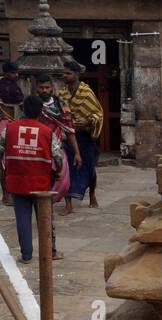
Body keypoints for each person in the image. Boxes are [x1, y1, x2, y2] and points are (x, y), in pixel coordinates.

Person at [0, 95, 63, 265]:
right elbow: (57, 156)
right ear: (41, 112)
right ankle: (51, 251)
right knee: (46, 218)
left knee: (22, 219)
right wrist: (60, 171)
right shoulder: (47, 132)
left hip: (17, 182)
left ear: (23, 110)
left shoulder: (10, 129)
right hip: (41, 182)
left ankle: (26, 255)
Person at [59, 60, 103, 211]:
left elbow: (98, 113)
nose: (65, 76)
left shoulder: (86, 92)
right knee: (66, 168)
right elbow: (61, 113)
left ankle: (92, 195)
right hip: (68, 136)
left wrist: (87, 122)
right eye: (64, 73)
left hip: (84, 136)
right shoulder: (62, 93)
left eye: (68, 73)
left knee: (90, 168)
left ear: (77, 74)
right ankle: (68, 204)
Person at [34, 74, 79, 213]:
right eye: (41, 88)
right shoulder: (33, 104)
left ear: (52, 88)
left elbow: (69, 130)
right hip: (39, 148)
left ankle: (68, 204)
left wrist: (77, 152)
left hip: (57, 146)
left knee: (63, 177)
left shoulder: (60, 105)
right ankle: (42, 206)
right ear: (36, 88)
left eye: (47, 87)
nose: (44, 90)